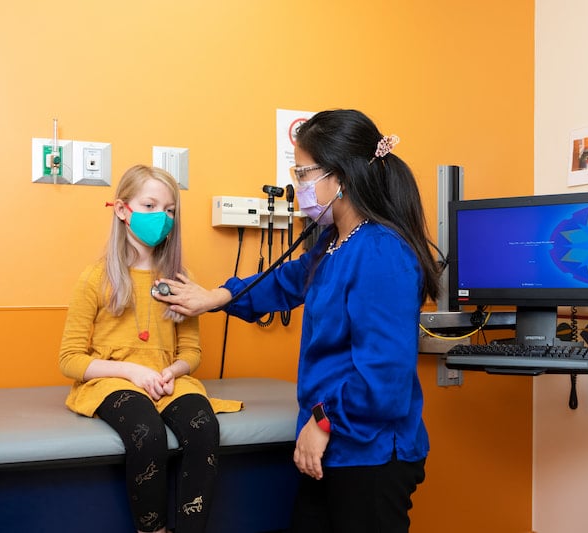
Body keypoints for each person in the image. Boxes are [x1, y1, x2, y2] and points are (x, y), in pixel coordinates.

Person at [153, 109, 441, 533]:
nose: (298, 186)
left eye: (303, 173)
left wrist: (324, 421)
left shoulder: (380, 252)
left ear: (340, 177)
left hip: (371, 453)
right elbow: (288, 280)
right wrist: (215, 297)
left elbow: (385, 380)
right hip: (335, 445)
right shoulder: (335, 241)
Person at [59, 165, 241, 533]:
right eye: (150, 205)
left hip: (166, 379)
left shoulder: (179, 281)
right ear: (123, 210)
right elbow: (70, 359)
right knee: (146, 430)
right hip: (114, 380)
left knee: (203, 426)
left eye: (170, 210)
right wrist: (130, 372)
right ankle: (152, 529)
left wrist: (174, 371)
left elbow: (191, 352)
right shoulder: (96, 278)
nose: (162, 217)